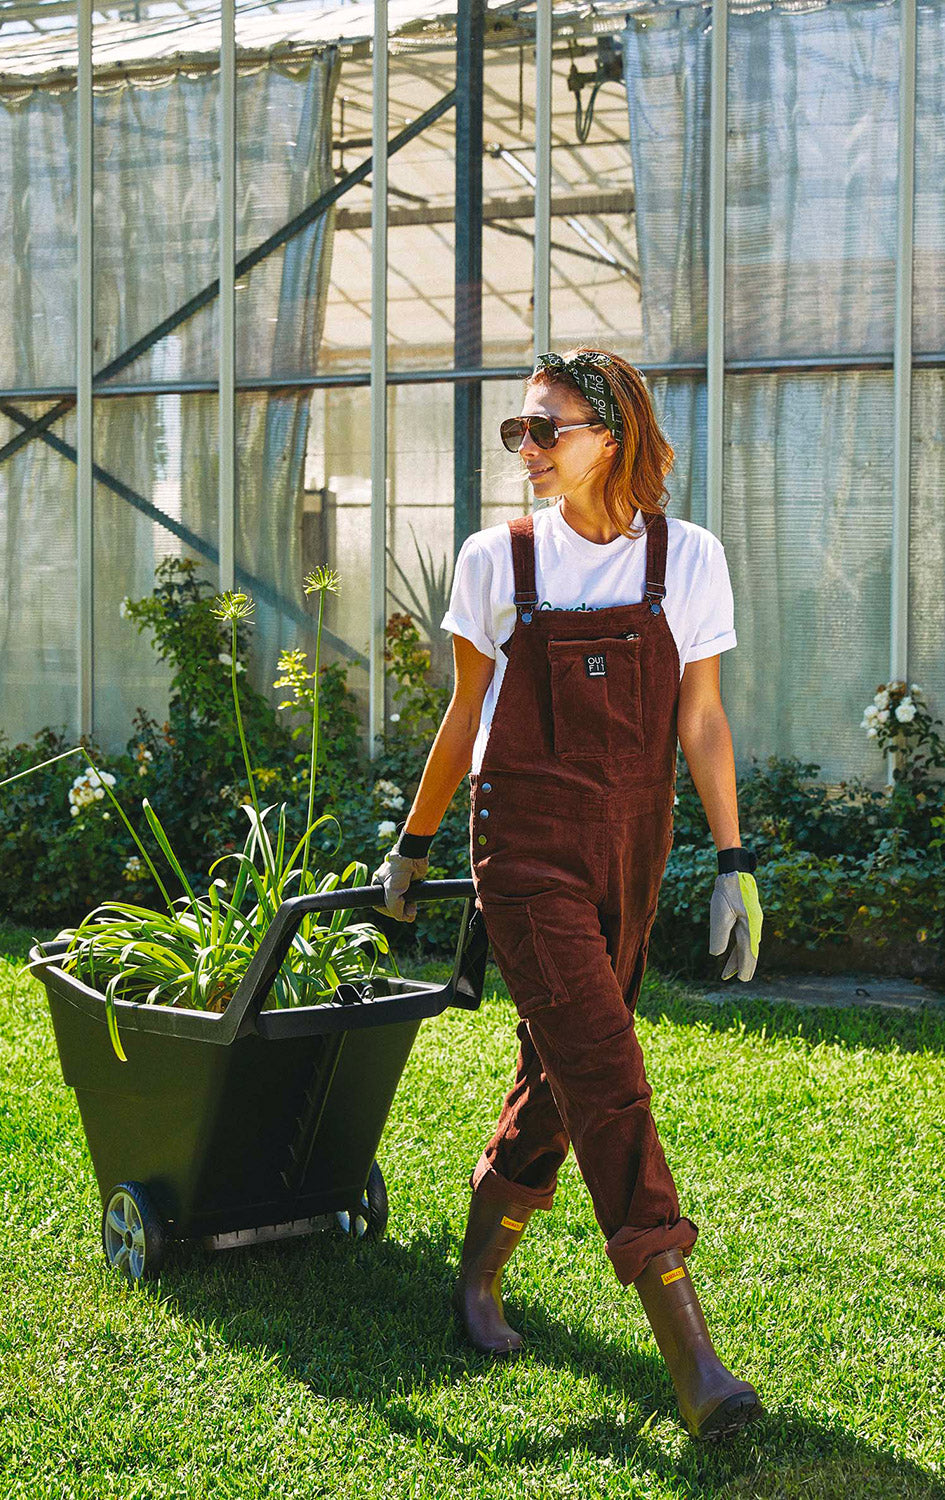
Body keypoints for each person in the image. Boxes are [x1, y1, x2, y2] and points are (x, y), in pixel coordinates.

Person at [374, 348, 764, 1442]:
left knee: (558, 1073)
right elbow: (462, 718)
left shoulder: (684, 559)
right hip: (527, 846)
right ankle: (689, 1351)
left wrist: (730, 865)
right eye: (518, 433)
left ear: (613, 435)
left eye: (546, 431)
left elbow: (700, 721)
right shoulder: (496, 558)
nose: (526, 452)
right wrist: (414, 845)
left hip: (631, 847)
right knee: (608, 1067)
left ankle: (473, 1277)